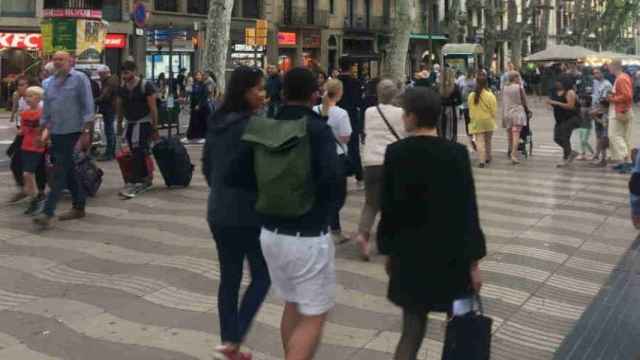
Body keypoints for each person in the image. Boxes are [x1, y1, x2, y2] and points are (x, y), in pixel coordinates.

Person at [228, 67, 338, 360]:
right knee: (313, 316)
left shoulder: (263, 125)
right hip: (308, 234)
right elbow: (333, 180)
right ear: (315, 94)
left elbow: (238, 174)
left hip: (270, 234)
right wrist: (325, 213)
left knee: (293, 304)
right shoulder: (317, 129)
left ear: (283, 92)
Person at [377, 86, 486, 360]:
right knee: (460, 326)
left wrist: (388, 251)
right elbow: (467, 209)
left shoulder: (396, 153)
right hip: (453, 257)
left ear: (412, 117)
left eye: (404, 114)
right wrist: (473, 262)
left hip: (409, 256)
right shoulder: (457, 154)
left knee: (411, 331)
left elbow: (388, 208)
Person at [203, 66, 271, 360]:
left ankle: (228, 341)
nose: (264, 95)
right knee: (263, 275)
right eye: (259, 89)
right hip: (247, 212)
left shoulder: (217, 121)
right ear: (245, 91)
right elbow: (263, 172)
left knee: (229, 278)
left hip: (218, 209)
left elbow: (207, 166)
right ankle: (234, 337)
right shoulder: (253, 126)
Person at [33, 51, 95, 229]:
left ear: (70, 61)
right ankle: (79, 207)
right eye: (55, 59)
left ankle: (47, 212)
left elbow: (88, 105)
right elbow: (47, 112)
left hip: (74, 132)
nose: (58, 62)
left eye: (62, 59)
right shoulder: (48, 83)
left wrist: (86, 132)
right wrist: (42, 133)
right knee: (68, 170)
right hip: (57, 133)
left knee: (59, 171)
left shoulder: (79, 79)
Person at [354, 79, 404, 261]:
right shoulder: (400, 113)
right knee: (392, 202)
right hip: (392, 160)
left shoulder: (369, 112)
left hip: (370, 161)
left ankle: (363, 235)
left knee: (371, 203)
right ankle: (389, 240)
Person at [313, 79, 352, 244]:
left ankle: (322, 225)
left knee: (321, 192)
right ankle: (335, 229)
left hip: (317, 155)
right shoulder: (341, 113)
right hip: (337, 156)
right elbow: (345, 137)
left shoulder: (314, 110)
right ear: (339, 94)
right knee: (338, 194)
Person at [116, 60, 159, 198]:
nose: (124, 75)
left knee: (139, 151)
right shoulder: (122, 88)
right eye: (122, 73)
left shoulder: (145, 86)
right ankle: (144, 178)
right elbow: (120, 107)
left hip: (143, 123)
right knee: (135, 151)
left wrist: (155, 127)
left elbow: (153, 108)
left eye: (126, 72)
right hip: (130, 123)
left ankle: (136, 180)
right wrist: (119, 123)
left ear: (134, 71)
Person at [17, 86, 47, 215]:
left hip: (37, 146)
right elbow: (22, 131)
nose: (27, 98)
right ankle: (34, 200)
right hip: (26, 146)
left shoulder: (42, 113)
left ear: (38, 98)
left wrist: (44, 138)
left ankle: (37, 200)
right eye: (27, 96)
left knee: (28, 174)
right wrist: (19, 130)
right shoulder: (24, 113)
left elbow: (47, 127)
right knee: (29, 175)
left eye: (31, 96)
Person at [337, 57, 364, 184]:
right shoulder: (356, 83)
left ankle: (340, 170)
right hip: (351, 116)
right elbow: (359, 102)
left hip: (337, 115)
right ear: (351, 67)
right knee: (353, 145)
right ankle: (358, 172)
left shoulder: (335, 82)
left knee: (337, 144)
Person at [547, 76, 580, 168]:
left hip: (571, 118)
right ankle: (571, 153)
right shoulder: (555, 92)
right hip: (560, 119)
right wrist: (551, 103)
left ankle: (566, 159)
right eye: (557, 82)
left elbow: (570, 106)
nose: (557, 84)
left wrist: (555, 103)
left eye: (559, 82)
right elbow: (555, 104)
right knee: (557, 138)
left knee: (565, 137)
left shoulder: (570, 92)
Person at [608, 59, 634, 172]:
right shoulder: (622, 77)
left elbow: (627, 96)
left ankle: (624, 158)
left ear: (615, 66)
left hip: (620, 110)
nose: (608, 68)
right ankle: (626, 162)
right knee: (624, 137)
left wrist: (612, 99)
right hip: (623, 110)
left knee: (613, 135)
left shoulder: (621, 78)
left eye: (609, 66)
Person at [468, 71, 497, 168]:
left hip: (476, 121)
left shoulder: (471, 95)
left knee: (479, 141)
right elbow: (494, 110)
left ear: (476, 82)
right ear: (486, 83)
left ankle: (481, 161)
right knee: (488, 140)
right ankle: (488, 157)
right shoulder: (490, 95)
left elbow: (470, 108)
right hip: (488, 120)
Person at [502, 71, 529, 164]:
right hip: (517, 113)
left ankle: (509, 150)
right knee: (516, 135)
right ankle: (514, 154)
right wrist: (528, 110)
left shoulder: (504, 87)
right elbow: (524, 100)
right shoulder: (519, 87)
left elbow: (504, 100)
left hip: (507, 113)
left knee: (509, 134)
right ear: (515, 78)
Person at [95, 65, 120, 161]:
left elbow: (105, 96)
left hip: (109, 108)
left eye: (100, 74)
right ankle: (111, 152)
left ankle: (109, 153)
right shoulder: (111, 80)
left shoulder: (110, 82)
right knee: (109, 131)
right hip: (110, 108)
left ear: (105, 73)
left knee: (109, 131)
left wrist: (94, 100)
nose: (99, 76)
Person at [590, 68, 613, 167]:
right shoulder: (595, 82)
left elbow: (605, 101)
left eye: (597, 73)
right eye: (594, 73)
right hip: (597, 111)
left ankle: (603, 158)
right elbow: (595, 96)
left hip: (603, 112)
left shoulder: (607, 85)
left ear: (602, 73)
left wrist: (595, 111)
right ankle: (598, 155)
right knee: (599, 136)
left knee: (603, 136)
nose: (595, 75)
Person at [185, 70, 210, 143]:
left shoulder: (204, 85)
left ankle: (202, 136)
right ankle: (193, 135)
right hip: (194, 106)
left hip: (202, 107)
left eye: (199, 75)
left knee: (201, 121)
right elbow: (192, 95)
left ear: (201, 76)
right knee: (194, 121)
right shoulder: (194, 85)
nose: (198, 76)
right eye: (197, 75)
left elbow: (204, 96)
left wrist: (199, 105)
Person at [438, 67, 462, 142]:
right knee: (451, 130)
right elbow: (460, 101)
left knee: (441, 129)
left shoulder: (438, 86)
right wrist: (453, 101)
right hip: (451, 110)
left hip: (440, 110)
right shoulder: (455, 87)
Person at [459, 70, 477, 151]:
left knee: (467, 124)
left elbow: (462, 95)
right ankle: (474, 139)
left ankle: (470, 141)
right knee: (474, 123)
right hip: (474, 107)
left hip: (466, 106)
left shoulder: (463, 83)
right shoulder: (475, 83)